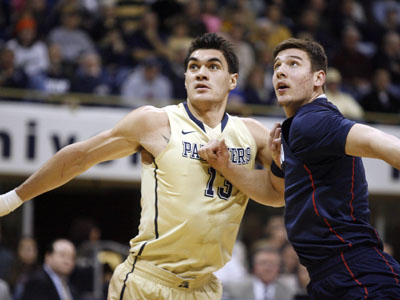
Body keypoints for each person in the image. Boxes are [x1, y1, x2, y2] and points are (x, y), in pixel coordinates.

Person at [0, 33, 284, 300]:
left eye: (213, 66)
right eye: (193, 66)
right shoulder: (156, 122)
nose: (201, 72)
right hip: (148, 283)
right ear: (184, 78)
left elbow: (278, 194)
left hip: (203, 287)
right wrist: (13, 198)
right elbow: (79, 157)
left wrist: (279, 163)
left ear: (233, 80)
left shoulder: (252, 134)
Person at [199, 37, 400, 299]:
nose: (280, 70)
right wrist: (228, 167)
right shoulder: (297, 130)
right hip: (331, 276)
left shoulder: (313, 120)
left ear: (318, 78)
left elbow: (379, 143)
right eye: (277, 66)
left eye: (293, 64)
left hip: (357, 275)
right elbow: (274, 194)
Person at [222, 246, 295, 300]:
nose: (268, 268)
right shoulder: (235, 289)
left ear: (279, 268)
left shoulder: (289, 291)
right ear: (254, 266)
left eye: (273, 264)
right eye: (263, 263)